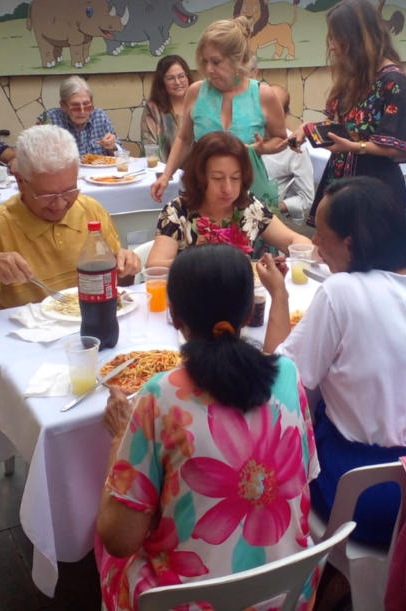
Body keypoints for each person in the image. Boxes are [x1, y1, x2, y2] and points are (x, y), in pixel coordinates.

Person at [264, 176, 406, 546]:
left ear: (350, 244)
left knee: (287, 439)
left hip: (379, 493)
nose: (315, 244)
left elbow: (279, 384)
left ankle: (313, 568)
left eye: (320, 234)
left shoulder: (340, 292)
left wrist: (279, 295)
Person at [95, 244, 319, 610]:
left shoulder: (160, 395)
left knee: (108, 538)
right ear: (249, 312)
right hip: (287, 592)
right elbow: (303, 479)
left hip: (188, 603)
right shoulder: (287, 375)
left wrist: (119, 437)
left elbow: (119, 538)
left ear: (174, 316)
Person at [0, 125, 140, 312]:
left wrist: (127, 268)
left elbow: (119, 284)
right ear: (20, 182)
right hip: (28, 343)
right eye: (46, 195)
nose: (59, 204)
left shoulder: (90, 210)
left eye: (69, 190)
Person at [288, 0, 406, 225]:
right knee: (333, 254)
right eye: (331, 38)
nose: (332, 46)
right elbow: (341, 128)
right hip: (341, 184)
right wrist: (306, 129)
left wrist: (355, 147)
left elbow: (399, 148)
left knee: (369, 256)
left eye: (337, 38)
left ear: (358, 38)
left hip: (374, 192)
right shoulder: (355, 76)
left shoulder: (393, 81)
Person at [149, 17, 286, 210]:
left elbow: (280, 138)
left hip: (250, 193)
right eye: (204, 61)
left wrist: (262, 148)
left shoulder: (264, 94)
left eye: (216, 62)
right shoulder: (195, 92)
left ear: (237, 60)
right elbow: (184, 139)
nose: (208, 69)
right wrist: (166, 175)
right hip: (203, 192)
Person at [146, 130, 311, 268]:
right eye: (218, 178)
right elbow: (154, 265)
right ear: (199, 177)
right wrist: (195, 256)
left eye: (235, 178)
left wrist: (313, 251)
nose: (228, 188)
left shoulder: (248, 206)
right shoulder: (177, 211)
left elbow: (292, 240)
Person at [264, 86, 315, 225]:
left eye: (275, 110)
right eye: (263, 107)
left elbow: (306, 198)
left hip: (267, 222)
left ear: (285, 113)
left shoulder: (296, 147)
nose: (267, 115)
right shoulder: (240, 137)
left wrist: (270, 208)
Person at [36, 76, 118, 156]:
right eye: (75, 106)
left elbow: (122, 156)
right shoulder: (49, 119)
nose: (82, 111)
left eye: (86, 105)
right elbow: (35, 157)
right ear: (63, 106)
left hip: (100, 169)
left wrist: (113, 147)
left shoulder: (99, 116)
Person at [140, 54, 191, 160]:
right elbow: (149, 148)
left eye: (181, 76)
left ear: (188, 77)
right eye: (170, 78)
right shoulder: (153, 109)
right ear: (162, 82)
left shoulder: (200, 106)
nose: (177, 82)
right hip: (163, 171)